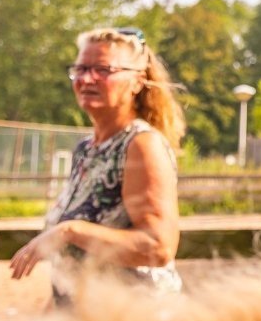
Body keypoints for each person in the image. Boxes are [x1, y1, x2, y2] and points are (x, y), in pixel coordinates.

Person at [10, 27, 184, 306]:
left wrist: (71, 231)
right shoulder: (85, 149)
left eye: (103, 69)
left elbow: (157, 247)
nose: (87, 78)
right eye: (81, 68)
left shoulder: (140, 145)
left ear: (137, 82)